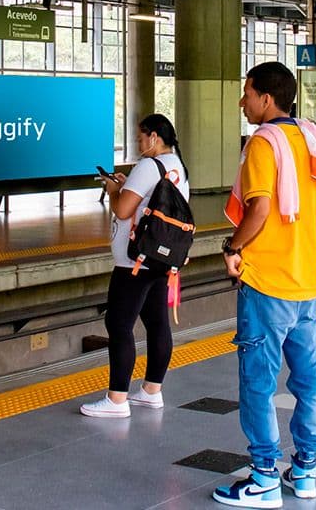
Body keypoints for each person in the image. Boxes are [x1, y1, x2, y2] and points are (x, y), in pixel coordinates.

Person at [214, 62, 316, 508]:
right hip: (309, 282)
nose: (242, 102)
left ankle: (264, 477)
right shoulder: (311, 140)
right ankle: (303, 471)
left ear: (266, 98)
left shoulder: (263, 145)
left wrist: (232, 248)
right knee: (308, 383)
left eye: (246, 93)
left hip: (267, 283)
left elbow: (260, 209)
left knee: (258, 383)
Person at [81, 114, 189, 419]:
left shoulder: (148, 165)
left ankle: (117, 399)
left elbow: (124, 208)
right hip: (162, 258)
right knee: (157, 323)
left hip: (135, 261)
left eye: (141, 137)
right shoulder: (178, 166)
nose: (138, 143)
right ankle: (151, 391)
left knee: (118, 324)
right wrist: (128, 186)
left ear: (154, 137)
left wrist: (114, 189)